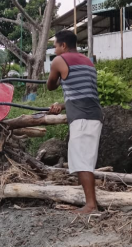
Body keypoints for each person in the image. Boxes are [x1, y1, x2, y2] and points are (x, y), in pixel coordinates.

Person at [46, 30, 103, 214]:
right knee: (84, 160)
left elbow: (50, 85)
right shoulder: (88, 62)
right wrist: (61, 106)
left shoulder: (59, 61)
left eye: (55, 46)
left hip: (82, 119)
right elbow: (82, 94)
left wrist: (57, 78)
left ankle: (91, 205)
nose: (54, 50)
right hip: (94, 115)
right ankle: (89, 201)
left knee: (82, 162)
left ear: (63, 45)